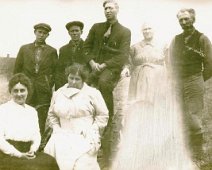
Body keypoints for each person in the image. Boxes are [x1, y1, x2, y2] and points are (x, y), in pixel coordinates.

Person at [111, 23, 197, 170]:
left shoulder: (162, 45)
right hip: (139, 78)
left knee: (157, 106)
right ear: (141, 31)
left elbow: (169, 63)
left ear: (154, 30)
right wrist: (125, 69)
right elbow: (128, 62)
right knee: (140, 106)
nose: (147, 31)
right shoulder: (135, 47)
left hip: (158, 77)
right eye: (144, 29)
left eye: (149, 28)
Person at [83, 0, 131, 167]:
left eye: (111, 8)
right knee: (85, 86)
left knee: (104, 83)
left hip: (110, 67)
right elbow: (86, 47)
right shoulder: (96, 27)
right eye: (106, 8)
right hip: (93, 65)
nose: (108, 11)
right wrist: (91, 62)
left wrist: (104, 65)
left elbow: (123, 55)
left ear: (117, 10)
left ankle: (107, 114)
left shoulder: (124, 31)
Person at [44, 63, 109, 170]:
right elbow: (52, 115)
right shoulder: (58, 93)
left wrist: (93, 130)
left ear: (83, 80)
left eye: (77, 79)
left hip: (85, 135)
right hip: (61, 135)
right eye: (71, 78)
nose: (73, 82)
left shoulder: (93, 93)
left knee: (82, 164)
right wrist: (56, 128)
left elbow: (103, 115)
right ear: (67, 77)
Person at [169, 8, 212, 168]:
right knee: (179, 114)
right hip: (178, 81)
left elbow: (210, 63)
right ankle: (182, 149)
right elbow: (171, 61)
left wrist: (199, 79)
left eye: (186, 19)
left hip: (194, 79)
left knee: (194, 116)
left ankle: (198, 152)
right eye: (181, 20)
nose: (184, 22)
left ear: (193, 19)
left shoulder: (202, 38)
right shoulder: (176, 39)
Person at [0, 73, 59, 170]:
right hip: (9, 154)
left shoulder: (32, 111)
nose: (19, 94)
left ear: (28, 91)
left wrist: (33, 149)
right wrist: (19, 154)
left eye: (22, 90)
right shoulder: (3, 109)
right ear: (11, 92)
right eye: (15, 91)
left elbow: (36, 134)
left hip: (29, 151)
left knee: (50, 161)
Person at [13, 23, 58, 135]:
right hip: (26, 89)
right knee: (23, 114)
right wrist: (19, 86)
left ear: (48, 35)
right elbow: (17, 70)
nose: (41, 35)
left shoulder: (52, 51)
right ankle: (22, 140)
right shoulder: (24, 49)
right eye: (39, 32)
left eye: (44, 33)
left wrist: (47, 84)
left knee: (41, 117)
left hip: (43, 90)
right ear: (35, 32)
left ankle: (38, 144)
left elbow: (55, 71)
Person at [55, 21, 85, 90]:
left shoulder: (88, 47)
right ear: (69, 33)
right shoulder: (63, 50)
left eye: (77, 31)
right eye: (72, 31)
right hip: (67, 83)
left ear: (81, 32)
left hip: (83, 82)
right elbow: (60, 70)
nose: (74, 33)